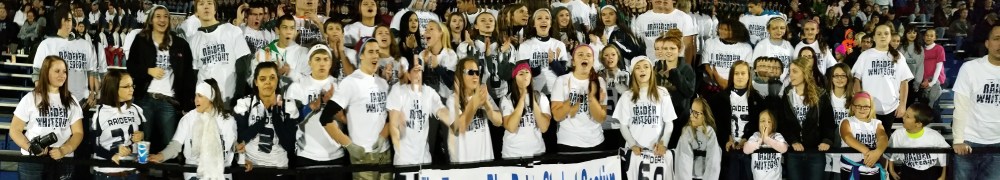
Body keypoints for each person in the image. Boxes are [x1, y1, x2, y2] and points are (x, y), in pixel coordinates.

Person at [319, 38, 392, 180]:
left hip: (385, 153)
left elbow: (391, 116)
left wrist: (384, 135)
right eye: (370, 51)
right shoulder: (350, 82)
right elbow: (325, 117)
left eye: (377, 51)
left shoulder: (382, 83)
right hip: (363, 155)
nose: (375, 55)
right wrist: (348, 145)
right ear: (361, 55)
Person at [126, 4, 196, 154]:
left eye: (165, 16)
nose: (162, 20)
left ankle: (169, 175)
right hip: (144, 100)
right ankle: (142, 174)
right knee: (142, 144)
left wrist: (187, 103)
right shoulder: (140, 40)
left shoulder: (180, 44)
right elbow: (130, 67)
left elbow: (188, 75)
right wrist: (148, 71)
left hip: (169, 102)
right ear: (151, 20)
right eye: (158, 16)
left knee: (169, 146)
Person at [10, 56, 85, 180]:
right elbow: (14, 130)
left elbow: (78, 132)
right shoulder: (31, 98)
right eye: (57, 71)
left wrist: (64, 150)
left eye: (64, 71)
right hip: (33, 161)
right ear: (46, 72)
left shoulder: (71, 100)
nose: (62, 75)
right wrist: (31, 148)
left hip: (62, 160)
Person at [149, 79, 238, 180]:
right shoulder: (188, 119)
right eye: (196, 95)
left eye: (200, 96)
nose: (196, 100)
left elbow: (234, 146)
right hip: (195, 173)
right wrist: (160, 156)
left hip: (221, 173)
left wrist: (239, 151)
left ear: (211, 97)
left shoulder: (228, 121)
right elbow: (175, 146)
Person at [286, 45, 348, 180]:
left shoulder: (340, 86)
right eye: (317, 59)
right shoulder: (297, 87)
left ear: (331, 63)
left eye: (326, 59)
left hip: (336, 156)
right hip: (306, 156)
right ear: (309, 62)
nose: (322, 63)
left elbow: (350, 121)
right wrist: (311, 107)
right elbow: (289, 122)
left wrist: (336, 111)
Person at [233, 62, 301, 179]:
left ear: (278, 80)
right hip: (251, 168)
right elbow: (241, 139)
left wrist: (275, 114)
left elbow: (288, 145)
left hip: (279, 170)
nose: (268, 82)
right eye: (263, 79)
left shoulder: (288, 105)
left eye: (272, 78)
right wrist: (266, 118)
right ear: (256, 82)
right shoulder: (245, 103)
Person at [614, 56, 677, 180]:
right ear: (633, 73)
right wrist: (632, 145)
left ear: (651, 71)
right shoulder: (627, 96)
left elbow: (669, 122)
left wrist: (663, 143)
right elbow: (623, 125)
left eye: (646, 67)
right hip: (635, 153)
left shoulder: (662, 92)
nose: (642, 70)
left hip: (657, 152)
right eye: (638, 68)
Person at [951, 24, 1000, 180]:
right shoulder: (970, 68)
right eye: (997, 39)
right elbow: (960, 107)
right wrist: (958, 140)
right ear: (987, 43)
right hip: (969, 142)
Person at [33, 6, 103, 107]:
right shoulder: (46, 44)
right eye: (65, 20)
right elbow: (37, 73)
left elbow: (92, 72)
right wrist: (42, 96)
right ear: (58, 22)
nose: (68, 23)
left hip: (82, 103)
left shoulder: (85, 45)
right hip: (55, 102)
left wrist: (94, 94)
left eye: (70, 20)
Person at [388, 53, 450, 165]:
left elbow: (441, 111)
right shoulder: (398, 91)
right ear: (409, 75)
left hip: (424, 161)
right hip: (403, 162)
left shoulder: (429, 93)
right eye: (415, 70)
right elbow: (393, 125)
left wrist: (454, 120)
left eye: (420, 70)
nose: (418, 74)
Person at [780, 57, 835, 180]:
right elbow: (783, 123)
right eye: (790, 71)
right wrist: (793, 140)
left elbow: (828, 122)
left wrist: (827, 140)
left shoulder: (821, 95)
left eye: (795, 71)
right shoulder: (787, 94)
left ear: (805, 73)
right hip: (794, 154)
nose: (791, 75)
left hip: (815, 152)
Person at [187, 0, 252, 103]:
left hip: (228, 99)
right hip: (205, 102)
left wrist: (238, 95)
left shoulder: (232, 31)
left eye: (209, 3)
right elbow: (194, 74)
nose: (206, 7)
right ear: (196, 11)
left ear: (215, 9)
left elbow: (242, 67)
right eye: (201, 4)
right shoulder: (193, 40)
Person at [852, 24, 912, 133]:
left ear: (890, 37)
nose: (882, 36)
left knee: (885, 138)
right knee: (868, 138)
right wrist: (859, 101)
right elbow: (856, 79)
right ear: (874, 37)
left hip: (891, 107)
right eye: (879, 34)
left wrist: (903, 104)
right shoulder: (865, 55)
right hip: (868, 107)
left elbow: (904, 82)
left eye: (886, 33)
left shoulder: (898, 56)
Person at [710, 60, 762, 180]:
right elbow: (715, 124)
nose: (739, 76)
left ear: (749, 76)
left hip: (749, 150)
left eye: (743, 73)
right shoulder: (719, 99)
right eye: (736, 73)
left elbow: (758, 124)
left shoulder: (757, 99)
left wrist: (747, 139)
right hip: (727, 150)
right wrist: (725, 139)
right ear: (731, 76)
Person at [551, 45, 607, 152]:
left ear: (593, 61)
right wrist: (574, 99)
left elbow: (601, 118)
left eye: (588, 55)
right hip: (568, 142)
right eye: (580, 55)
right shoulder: (561, 81)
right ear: (573, 62)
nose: (584, 57)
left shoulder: (599, 82)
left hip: (596, 142)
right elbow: (557, 116)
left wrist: (591, 99)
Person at [90, 70, 145, 179]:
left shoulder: (136, 110)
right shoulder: (100, 113)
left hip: (131, 171)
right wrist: (113, 153)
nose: (132, 89)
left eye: (132, 85)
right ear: (113, 88)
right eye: (126, 86)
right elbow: (93, 146)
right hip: (108, 173)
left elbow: (142, 136)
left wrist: (142, 136)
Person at [447, 57, 503, 162]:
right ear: (460, 75)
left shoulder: (484, 95)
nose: (475, 76)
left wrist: (487, 104)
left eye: (477, 72)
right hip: (465, 164)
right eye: (471, 72)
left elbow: (499, 121)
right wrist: (474, 104)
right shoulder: (452, 100)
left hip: (486, 162)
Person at [500, 60, 552, 158]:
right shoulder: (506, 99)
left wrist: (531, 96)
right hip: (512, 155)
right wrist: (522, 97)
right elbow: (511, 127)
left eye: (527, 72)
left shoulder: (541, 97)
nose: (525, 76)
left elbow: (544, 127)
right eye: (521, 73)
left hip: (536, 154)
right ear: (514, 78)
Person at [652, 29, 695, 147]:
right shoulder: (656, 68)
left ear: (679, 49)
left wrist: (674, 73)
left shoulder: (686, 69)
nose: (668, 52)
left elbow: (689, 92)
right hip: (659, 117)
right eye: (665, 48)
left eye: (672, 48)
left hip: (679, 118)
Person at [887, 103, 949, 180]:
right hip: (908, 171)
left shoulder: (934, 136)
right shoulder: (898, 134)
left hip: (930, 173)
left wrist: (943, 175)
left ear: (919, 124)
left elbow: (944, 157)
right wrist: (892, 170)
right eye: (905, 114)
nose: (903, 117)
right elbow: (890, 154)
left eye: (908, 116)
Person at [517, 8, 569, 94]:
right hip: (533, 93)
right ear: (534, 23)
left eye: (547, 18)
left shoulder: (559, 45)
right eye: (539, 18)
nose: (544, 21)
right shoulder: (525, 46)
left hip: (556, 93)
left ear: (550, 23)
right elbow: (522, 75)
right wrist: (538, 66)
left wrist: (553, 62)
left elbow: (562, 74)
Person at [839, 91, 890, 180]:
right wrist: (867, 152)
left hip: (871, 171)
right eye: (858, 106)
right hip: (850, 169)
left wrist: (877, 152)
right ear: (853, 107)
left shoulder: (876, 123)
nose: (862, 109)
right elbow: (848, 137)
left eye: (866, 106)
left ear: (871, 108)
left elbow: (883, 138)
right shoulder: (847, 121)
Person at [632, 0, 697, 63]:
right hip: (651, 69)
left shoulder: (684, 18)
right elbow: (636, 47)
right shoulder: (641, 19)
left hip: (677, 68)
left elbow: (688, 46)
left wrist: (687, 68)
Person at [674, 96, 722, 180]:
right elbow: (683, 160)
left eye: (696, 113)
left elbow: (713, 160)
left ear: (704, 115)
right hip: (690, 176)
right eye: (691, 112)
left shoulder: (710, 132)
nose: (692, 116)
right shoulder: (687, 132)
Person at [825, 63, 855, 180]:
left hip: (844, 148)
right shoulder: (824, 96)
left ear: (848, 78)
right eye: (836, 75)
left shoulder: (854, 99)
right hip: (827, 147)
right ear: (831, 78)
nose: (839, 79)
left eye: (843, 75)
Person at [702, 20, 752, 90]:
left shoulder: (746, 48)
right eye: (720, 28)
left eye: (725, 30)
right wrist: (719, 80)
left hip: (736, 88)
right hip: (713, 87)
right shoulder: (710, 43)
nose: (721, 31)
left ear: (735, 31)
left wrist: (729, 85)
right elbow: (706, 66)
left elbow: (747, 71)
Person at [743, 109, 788, 180]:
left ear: (773, 125)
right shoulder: (756, 136)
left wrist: (767, 139)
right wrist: (760, 140)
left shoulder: (777, 136)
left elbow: (784, 148)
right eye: (762, 121)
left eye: (769, 121)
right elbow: (746, 149)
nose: (765, 124)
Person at [421, 20, 460, 99]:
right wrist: (425, 66)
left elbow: (451, 84)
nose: (427, 32)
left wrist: (437, 67)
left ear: (440, 33)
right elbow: (419, 84)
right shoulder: (422, 54)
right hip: (427, 101)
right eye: (426, 29)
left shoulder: (450, 54)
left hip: (447, 102)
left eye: (431, 29)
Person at [750, 17, 794, 82]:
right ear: (768, 29)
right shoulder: (762, 45)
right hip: (765, 83)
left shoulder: (788, 45)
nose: (779, 31)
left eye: (782, 28)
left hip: (785, 83)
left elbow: (794, 64)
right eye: (774, 28)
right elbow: (753, 66)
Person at [919, 29, 946, 106]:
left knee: (934, 107)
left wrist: (933, 82)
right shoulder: (921, 50)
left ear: (935, 38)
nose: (929, 37)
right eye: (927, 35)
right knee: (924, 108)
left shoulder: (939, 48)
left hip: (936, 81)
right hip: (925, 82)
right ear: (924, 37)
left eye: (931, 36)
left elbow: (939, 66)